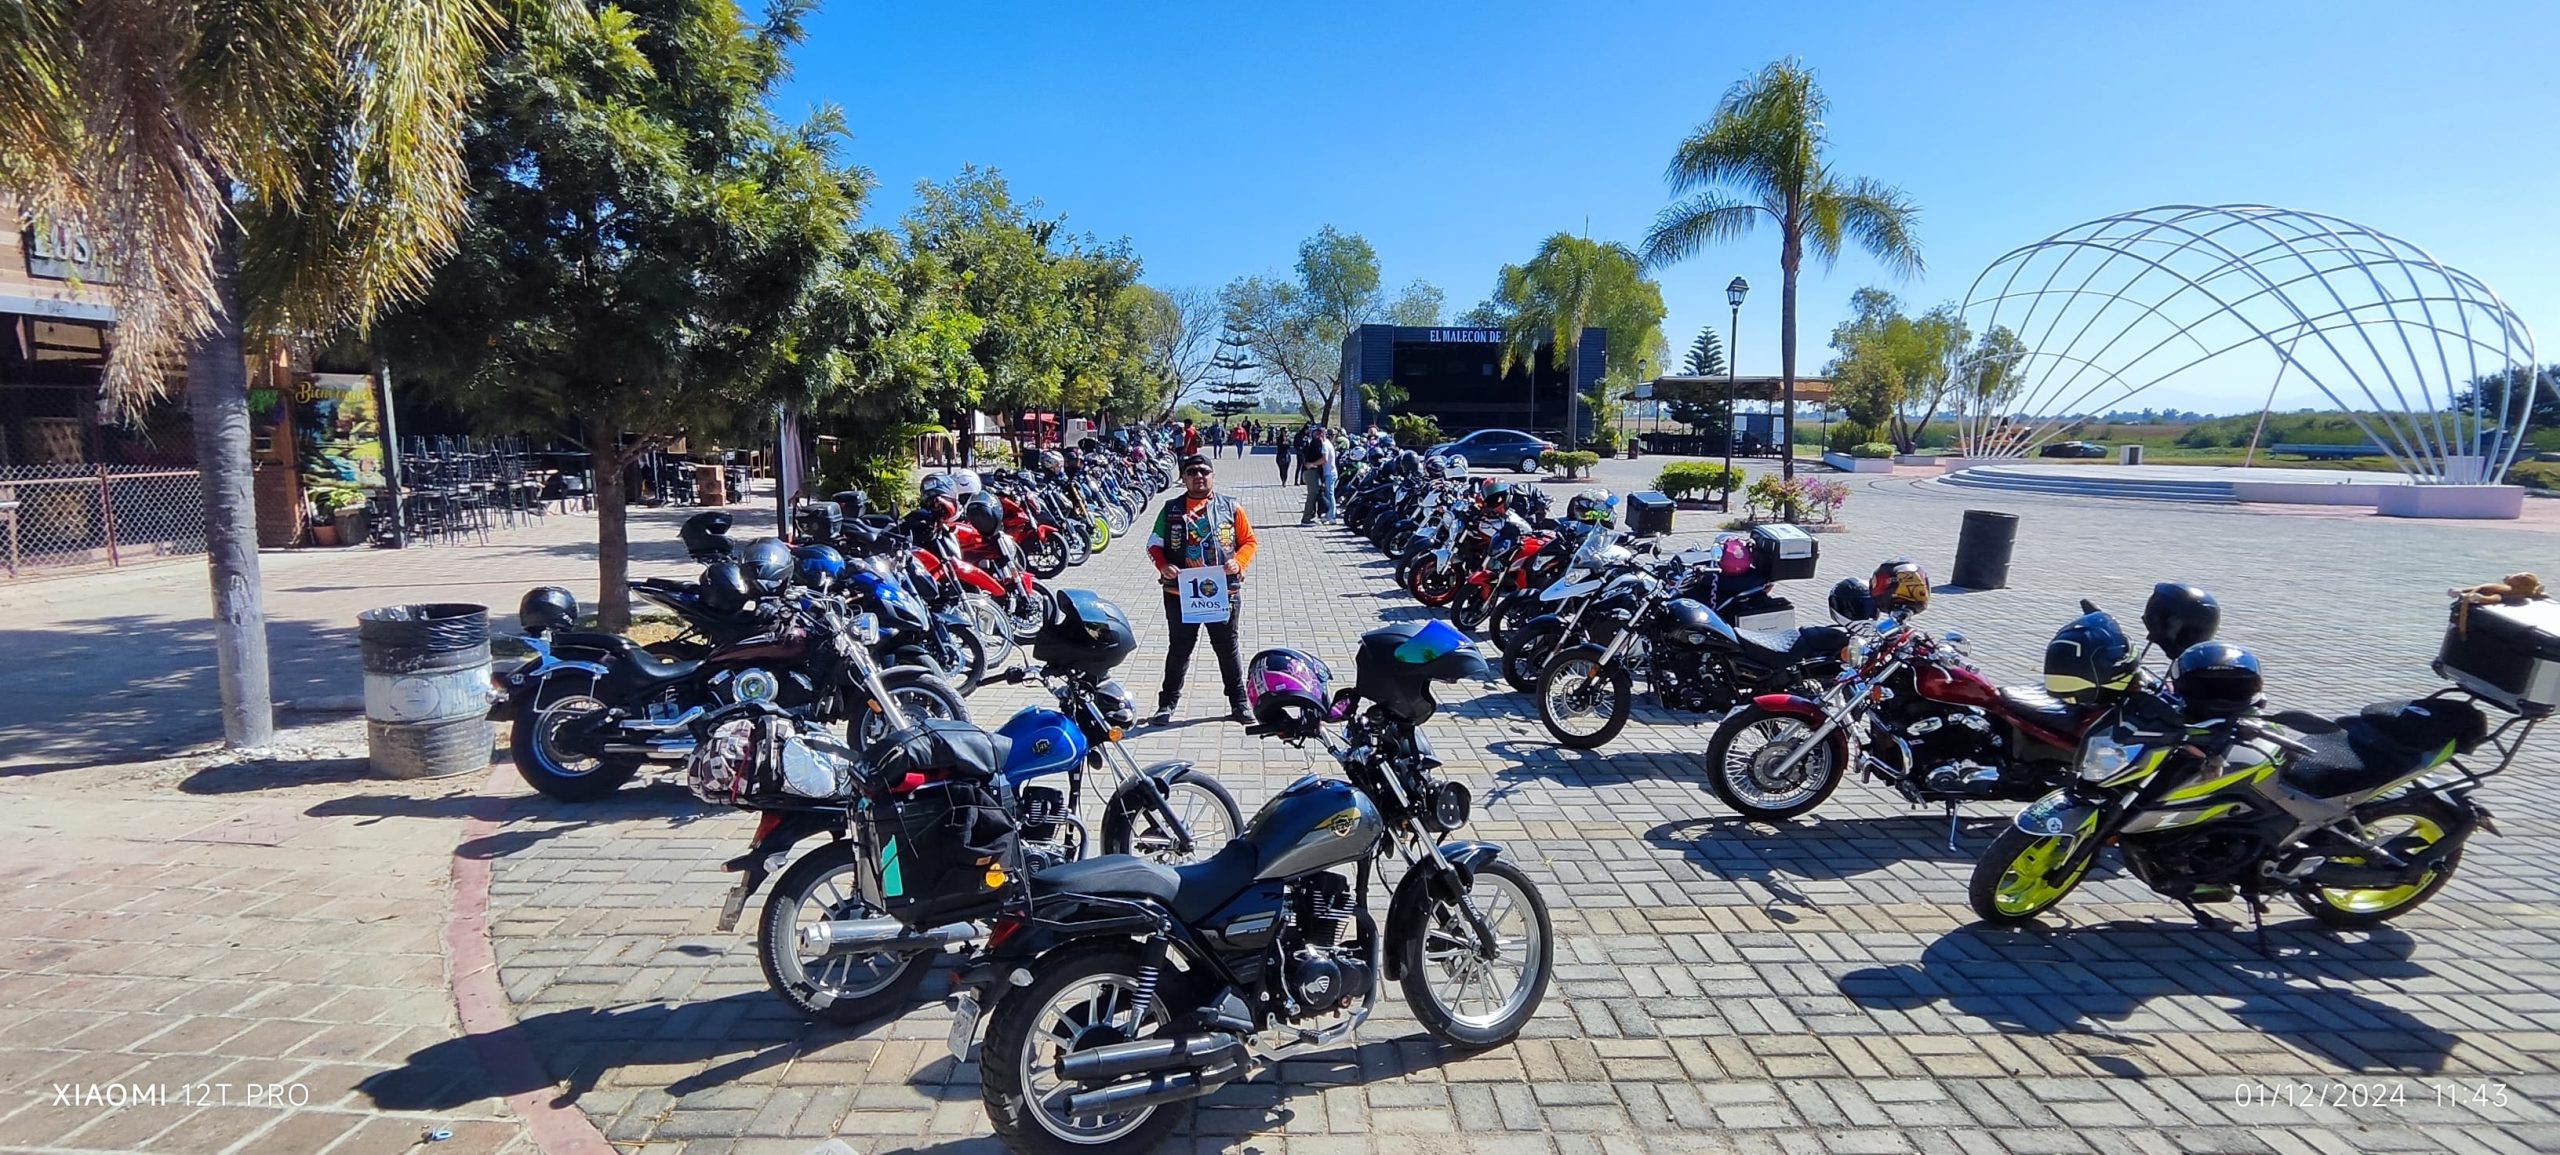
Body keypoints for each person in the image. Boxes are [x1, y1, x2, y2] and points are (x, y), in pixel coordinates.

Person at [1146, 454, 1257, 724]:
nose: (1198, 477)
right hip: (1180, 593)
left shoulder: (1231, 507)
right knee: (1180, 648)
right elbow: (1154, 543)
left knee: (1227, 647)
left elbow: (1249, 541)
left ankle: (1239, 703)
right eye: (1192, 472)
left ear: (1213, 476)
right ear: (1183, 478)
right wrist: (1163, 565)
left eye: (1204, 471)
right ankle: (1167, 704)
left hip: (1222, 592)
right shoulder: (1170, 509)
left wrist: (1238, 563)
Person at [1299, 426, 1335, 524]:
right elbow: (1323, 459)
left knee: (1315, 494)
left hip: (1312, 471)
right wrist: (1312, 464)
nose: (1319, 436)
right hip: (1311, 472)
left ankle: (1312, 515)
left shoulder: (1318, 443)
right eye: (1318, 433)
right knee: (1312, 494)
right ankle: (1306, 518)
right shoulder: (1317, 443)